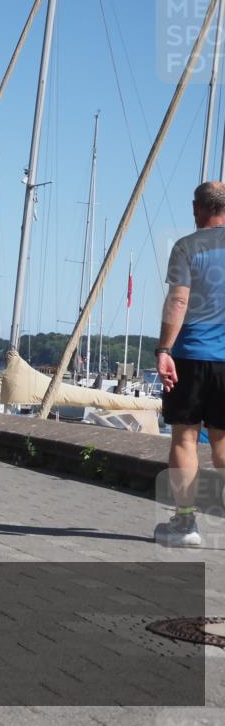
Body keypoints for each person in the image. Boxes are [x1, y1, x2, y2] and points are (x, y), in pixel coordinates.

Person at [155, 181, 225, 547]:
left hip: (191, 356)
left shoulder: (187, 247)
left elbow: (178, 302)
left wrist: (164, 349)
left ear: (198, 208)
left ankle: (185, 525)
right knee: (223, 444)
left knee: (185, 436)